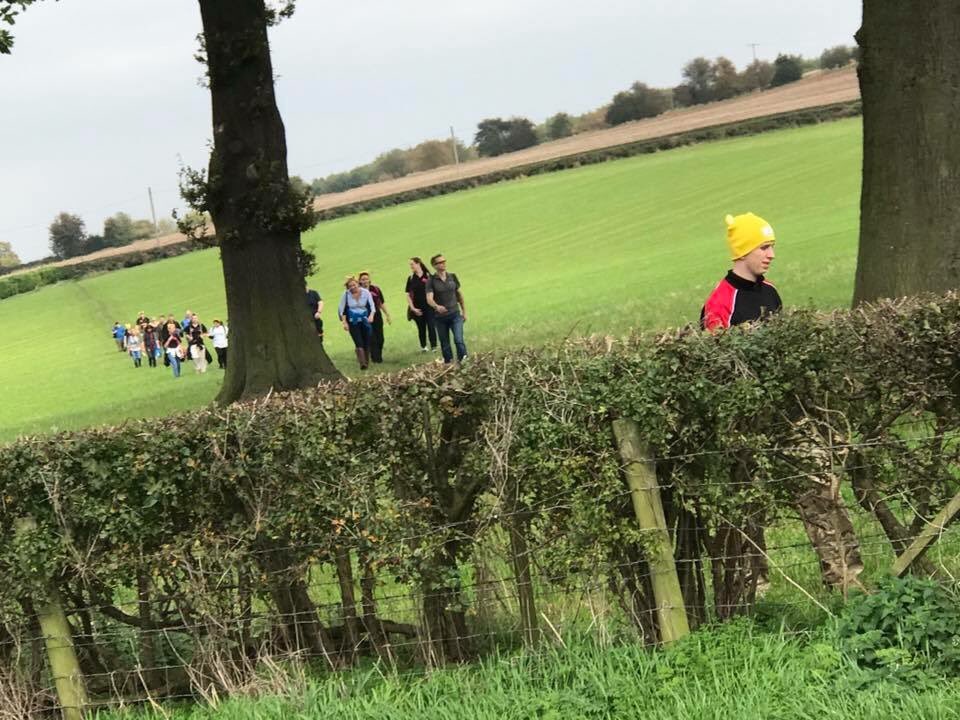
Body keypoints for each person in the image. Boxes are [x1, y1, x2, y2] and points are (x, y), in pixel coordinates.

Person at [700, 213, 781, 331]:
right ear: (742, 252)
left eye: (772, 247)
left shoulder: (770, 290)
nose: (771, 255)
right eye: (764, 248)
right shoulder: (720, 304)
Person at [426, 253, 467, 364]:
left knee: (459, 340)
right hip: (440, 318)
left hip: (455, 314)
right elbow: (429, 298)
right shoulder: (431, 280)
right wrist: (436, 306)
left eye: (444, 261)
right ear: (434, 265)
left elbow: (459, 295)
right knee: (445, 343)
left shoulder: (452, 277)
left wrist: (464, 311)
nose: (443, 263)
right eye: (440, 262)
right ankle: (449, 364)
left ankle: (464, 361)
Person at [337, 276, 376, 370]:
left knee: (366, 340)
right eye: (350, 286)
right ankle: (363, 364)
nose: (353, 287)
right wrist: (344, 323)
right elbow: (342, 310)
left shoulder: (366, 292)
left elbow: (372, 306)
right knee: (358, 342)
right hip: (353, 321)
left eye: (354, 285)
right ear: (348, 287)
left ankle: (367, 361)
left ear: (358, 284)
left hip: (365, 320)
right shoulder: (345, 295)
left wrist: (371, 315)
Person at [405, 257, 437, 353]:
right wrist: (413, 308)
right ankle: (423, 346)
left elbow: (434, 291)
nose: (411, 266)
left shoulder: (428, 276)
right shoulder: (411, 278)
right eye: (410, 264)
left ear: (418, 263)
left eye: (412, 264)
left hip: (429, 306)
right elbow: (408, 295)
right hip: (417, 307)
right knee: (421, 327)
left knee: (431, 325)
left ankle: (434, 346)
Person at [358, 271, 391, 363]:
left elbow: (381, 303)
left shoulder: (375, 289)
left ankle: (378, 356)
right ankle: (376, 359)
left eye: (366, 279)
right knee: (372, 339)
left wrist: (387, 314)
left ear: (369, 280)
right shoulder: (358, 291)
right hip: (365, 317)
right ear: (360, 281)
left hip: (377, 316)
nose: (365, 281)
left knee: (380, 338)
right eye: (363, 279)